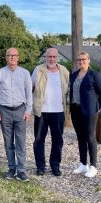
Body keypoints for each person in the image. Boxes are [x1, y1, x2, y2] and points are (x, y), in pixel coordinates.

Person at [0, 47, 33, 182]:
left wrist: (28, 111)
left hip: (20, 111)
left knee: (21, 142)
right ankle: (11, 169)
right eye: (9, 55)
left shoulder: (25, 73)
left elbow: (29, 93)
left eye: (15, 55)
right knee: (8, 142)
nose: (12, 57)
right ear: (6, 57)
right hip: (4, 111)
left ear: (18, 57)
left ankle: (21, 171)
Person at [31, 47, 70, 176]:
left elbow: (68, 90)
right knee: (38, 140)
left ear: (57, 58)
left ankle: (55, 165)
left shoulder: (64, 71)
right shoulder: (38, 70)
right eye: (49, 57)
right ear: (45, 57)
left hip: (58, 111)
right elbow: (30, 88)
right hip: (41, 111)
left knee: (58, 140)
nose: (52, 59)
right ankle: (40, 166)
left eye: (54, 57)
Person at [68, 51, 101, 178]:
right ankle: (83, 164)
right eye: (79, 59)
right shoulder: (73, 75)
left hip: (89, 111)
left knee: (90, 137)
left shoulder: (95, 75)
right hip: (75, 110)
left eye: (83, 59)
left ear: (88, 60)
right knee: (80, 137)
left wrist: (96, 108)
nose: (81, 61)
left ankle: (93, 166)